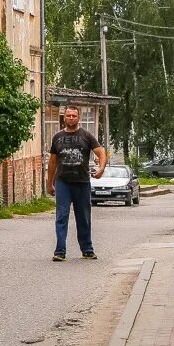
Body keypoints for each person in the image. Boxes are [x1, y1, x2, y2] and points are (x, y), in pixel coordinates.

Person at [47, 107, 108, 261]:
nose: (71, 118)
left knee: (84, 217)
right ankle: (60, 251)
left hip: (82, 182)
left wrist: (101, 168)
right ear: (64, 118)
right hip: (63, 183)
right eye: (69, 115)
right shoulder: (58, 137)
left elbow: (100, 152)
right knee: (62, 216)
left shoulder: (86, 136)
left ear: (78, 118)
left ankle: (87, 249)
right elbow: (53, 162)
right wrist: (50, 184)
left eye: (74, 115)